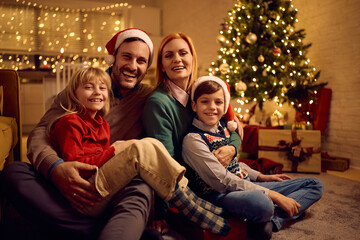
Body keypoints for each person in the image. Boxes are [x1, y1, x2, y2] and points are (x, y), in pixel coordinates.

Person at [2, 28, 165, 240]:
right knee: (14, 173)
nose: (133, 66)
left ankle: (82, 228)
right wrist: (55, 168)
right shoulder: (80, 89)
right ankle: (110, 230)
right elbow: (40, 133)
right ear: (113, 58)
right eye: (126, 56)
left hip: (110, 185)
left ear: (147, 67)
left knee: (140, 189)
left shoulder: (148, 98)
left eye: (141, 61)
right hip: (66, 180)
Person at [47, 66, 230, 235]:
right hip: (86, 195)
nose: (97, 93)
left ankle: (187, 196)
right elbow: (76, 167)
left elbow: (101, 158)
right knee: (136, 149)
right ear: (74, 93)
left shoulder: (101, 123)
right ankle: (186, 204)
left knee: (152, 143)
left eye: (102, 88)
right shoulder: (70, 122)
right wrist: (114, 151)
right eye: (88, 87)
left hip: (103, 188)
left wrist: (112, 150)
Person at [182, 76, 324, 239]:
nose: (212, 107)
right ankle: (270, 214)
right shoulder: (193, 139)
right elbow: (221, 181)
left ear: (225, 105)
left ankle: (271, 222)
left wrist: (262, 177)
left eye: (218, 102)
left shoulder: (223, 128)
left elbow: (235, 164)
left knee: (315, 185)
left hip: (247, 184)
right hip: (222, 195)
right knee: (262, 203)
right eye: (205, 101)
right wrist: (274, 195)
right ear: (194, 105)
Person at [142, 32, 242, 234]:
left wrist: (232, 147)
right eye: (169, 55)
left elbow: (233, 128)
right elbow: (164, 163)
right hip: (191, 188)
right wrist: (159, 214)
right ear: (162, 65)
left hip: (215, 173)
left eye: (183, 53)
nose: (177, 59)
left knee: (305, 189)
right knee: (258, 207)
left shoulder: (201, 92)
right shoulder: (158, 103)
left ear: (192, 58)